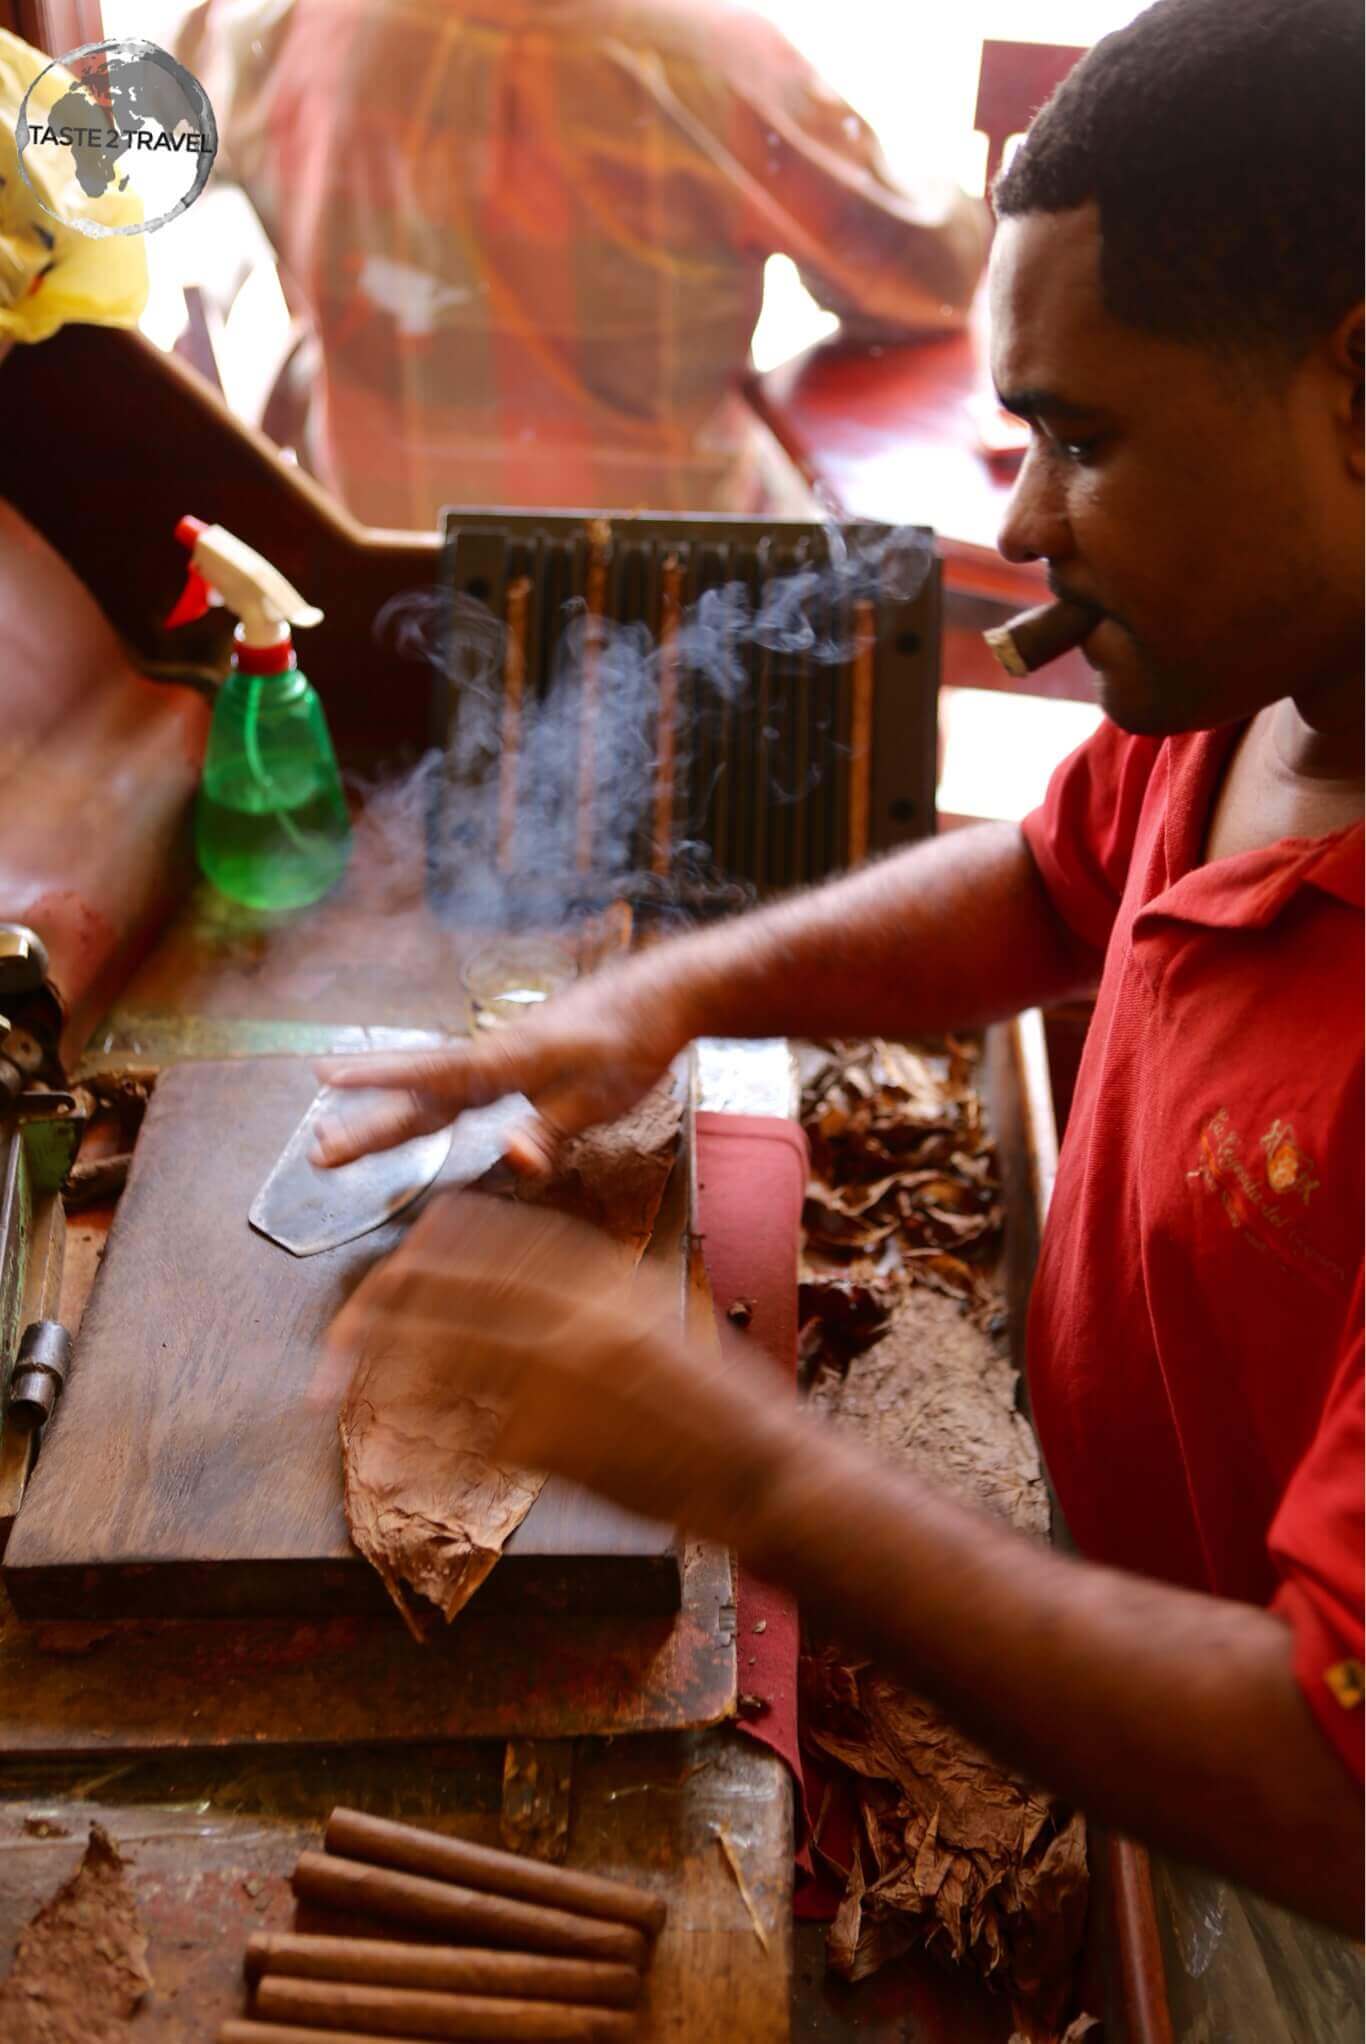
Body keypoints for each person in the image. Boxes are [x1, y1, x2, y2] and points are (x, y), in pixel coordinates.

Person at [310, 0, 1364, 1933]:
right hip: (1146, 1666)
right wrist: (670, 995)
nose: (1021, 518)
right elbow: (1048, 892)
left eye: (1084, 437)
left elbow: (1328, 1780)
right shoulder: (1255, 692)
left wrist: (755, 1468)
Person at [172, 0, 988, 527]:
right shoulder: (699, 49)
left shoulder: (280, 26)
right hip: (667, 601)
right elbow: (927, 276)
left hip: (378, 571)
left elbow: (169, 168)